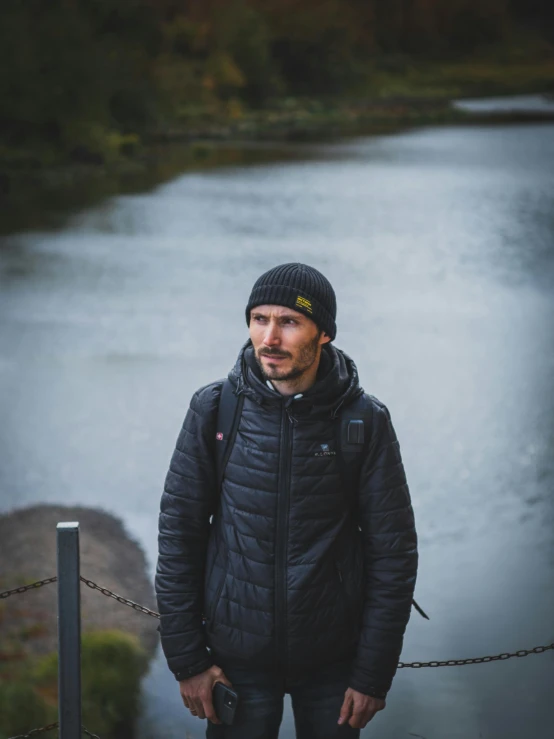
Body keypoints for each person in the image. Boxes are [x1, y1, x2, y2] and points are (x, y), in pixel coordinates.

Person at [156, 263, 418, 738]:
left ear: (324, 335)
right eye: (259, 319)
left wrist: (373, 673)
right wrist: (188, 660)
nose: (269, 337)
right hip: (236, 661)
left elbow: (393, 555)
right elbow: (179, 534)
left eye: (289, 322)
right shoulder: (215, 409)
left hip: (334, 666)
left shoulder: (363, 421)